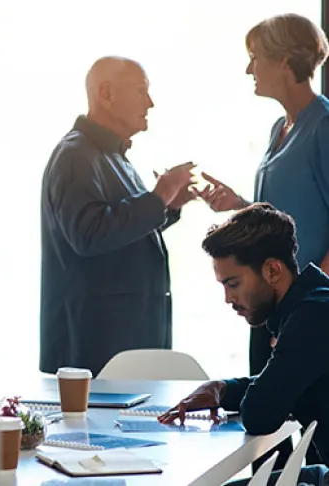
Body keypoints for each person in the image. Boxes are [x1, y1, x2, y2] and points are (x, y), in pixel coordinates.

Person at [195, 13, 329, 466]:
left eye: (255, 59)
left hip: (301, 308)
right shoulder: (280, 129)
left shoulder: (324, 126)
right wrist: (239, 206)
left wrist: (310, 309)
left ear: (286, 60)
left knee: (290, 430)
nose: (249, 70)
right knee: (263, 432)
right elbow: (281, 221)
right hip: (276, 306)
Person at [39, 56, 195, 376]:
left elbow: (119, 231)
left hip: (119, 343)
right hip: (95, 350)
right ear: (106, 94)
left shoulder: (110, 155)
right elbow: (90, 234)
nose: (150, 103)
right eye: (141, 90)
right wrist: (157, 197)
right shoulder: (75, 155)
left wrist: (168, 206)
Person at [158, 203, 329, 485]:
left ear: (272, 271)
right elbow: (277, 384)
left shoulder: (312, 316)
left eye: (233, 284)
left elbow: (260, 414)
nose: (227, 298)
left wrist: (240, 392)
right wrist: (222, 389)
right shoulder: (314, 303)